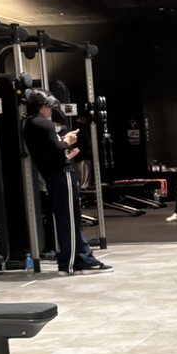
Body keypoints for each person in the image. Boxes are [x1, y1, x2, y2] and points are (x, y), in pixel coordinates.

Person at [22, 91, 113, 274]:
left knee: (69, 219)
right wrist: (67, 141)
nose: (50, 111)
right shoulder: (43, 124)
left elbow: (47, 154)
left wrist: (63, 147)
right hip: (61, 175)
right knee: (70, 220)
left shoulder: (29, 125)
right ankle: (71, 262)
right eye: (48, 107)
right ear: (40, 107)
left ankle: (82, 258)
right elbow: (56, 150)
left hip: (53, 175)